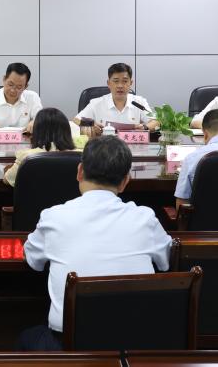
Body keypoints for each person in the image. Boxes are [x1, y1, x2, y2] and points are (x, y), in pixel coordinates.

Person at [20, 136, 171, 350]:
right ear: (125, 181)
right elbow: (166, 262)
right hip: (135, 344)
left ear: (80, 172)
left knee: (27, 338)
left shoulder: (53, 217)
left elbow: (32, 261)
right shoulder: (145, 218)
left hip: (70, 344)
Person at [74, 63, 159, 135]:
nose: (120, 86)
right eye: (116, 81)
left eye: (125, 81)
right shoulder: (96, 103)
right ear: (108, 83)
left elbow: (156, 122)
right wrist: (90, 125)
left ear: (131, 83)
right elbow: (76, 120)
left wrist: (145, 127)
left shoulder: (139, 102)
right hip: (103, 146)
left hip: (131, 147)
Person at [4, 108, 77, 187]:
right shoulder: (79, 155)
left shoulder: (27, 156)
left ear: (37, 131)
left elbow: (7, 180)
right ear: (67, 130)